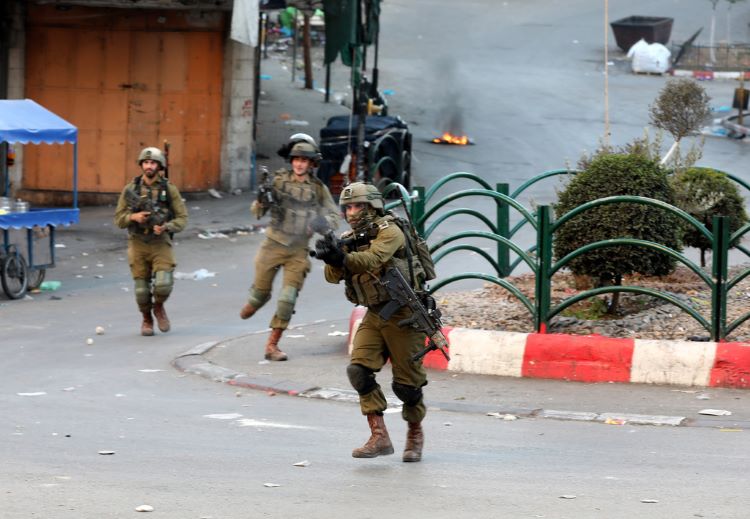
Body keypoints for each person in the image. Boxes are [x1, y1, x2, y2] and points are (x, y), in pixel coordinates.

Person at [315, 182, 429, 463]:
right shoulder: (351, 237)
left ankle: (415, 433)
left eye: (358, 206)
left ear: (372, 207)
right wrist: (333, 257)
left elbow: (372, 259)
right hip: (376, 313)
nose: (352, 212)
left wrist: (343, 257)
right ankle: (379, 435)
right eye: (348, 207)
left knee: (407, 387)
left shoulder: (390, 232)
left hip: (405, 314)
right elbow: (332, 277)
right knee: (358, 371)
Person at [239, 134, 339, 361]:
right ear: (291, 161)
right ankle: (255, 302)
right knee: (259, 296)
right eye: (296, 159)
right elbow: (257, 212)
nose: (299, 164)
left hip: (298, 250)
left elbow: (334, 216)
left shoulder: (318, 189)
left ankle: (272, 345)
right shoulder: (278, 181)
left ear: (312, 163)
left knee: (287, 299)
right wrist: (262, 199)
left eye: (304, 160)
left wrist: (320, 223)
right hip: (272, 245)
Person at [114, 147, 188, 336]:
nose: (149, 166)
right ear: (141, 165)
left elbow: (182, 219)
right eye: (146, 162)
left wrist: (166, 227)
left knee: (163, 284)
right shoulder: (131, 189)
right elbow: (119, 219)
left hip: (160, 242)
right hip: (137, 242)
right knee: (141, 290)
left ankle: (159, 307)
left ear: (159, 166)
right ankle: (147, 319)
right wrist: (134, 217)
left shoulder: (168, 189)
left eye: (153, 163)